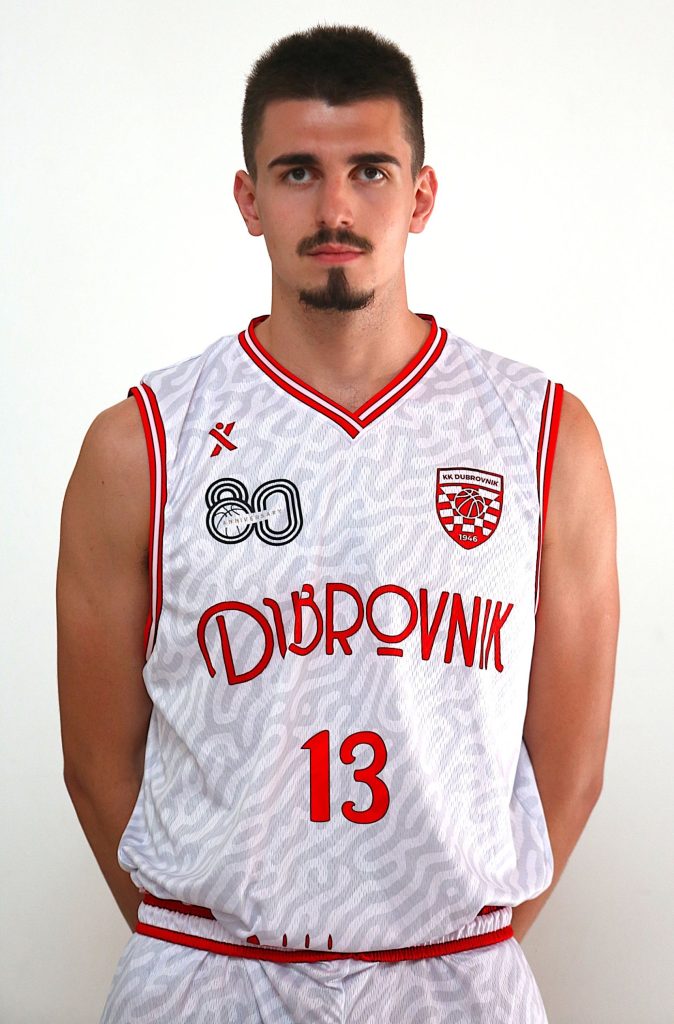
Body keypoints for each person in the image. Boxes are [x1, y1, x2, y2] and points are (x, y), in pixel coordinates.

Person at [56, 23, 619, 1024]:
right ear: (248, 200)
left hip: (452, 974)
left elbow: (568, 773)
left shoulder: (541, 436)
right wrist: (201, 943)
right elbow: (97, 770)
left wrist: (443, 947)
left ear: (421, 195)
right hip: (208, 974)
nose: (334, 209)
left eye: (369, 170)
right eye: (297, 173)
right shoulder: (141, 444)